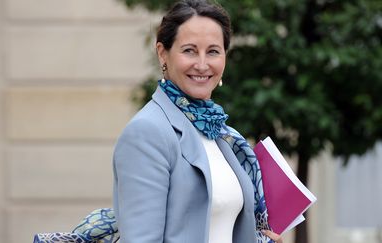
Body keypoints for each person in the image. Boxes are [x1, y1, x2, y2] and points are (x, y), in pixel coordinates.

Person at [112, 0, 283, 242]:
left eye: (213, 51)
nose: (202, 65)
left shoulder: (222, 134)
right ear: (163, 53)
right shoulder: (147, 132)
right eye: (189, 50)